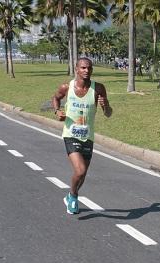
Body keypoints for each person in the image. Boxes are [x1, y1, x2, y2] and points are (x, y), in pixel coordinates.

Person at [52, 57, 113, 214]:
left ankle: (72, 195)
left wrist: (105, 105)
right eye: (83, 68)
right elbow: (55, 98)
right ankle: (72, 196)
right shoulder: (67, 87)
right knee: (79, 170)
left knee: (83, 174)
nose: (87, 71)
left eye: (89, 68)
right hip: (70, 134)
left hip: (88, 136)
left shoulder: (98, 88)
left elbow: (108, 114)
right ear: (76, 69)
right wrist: (57, 111)